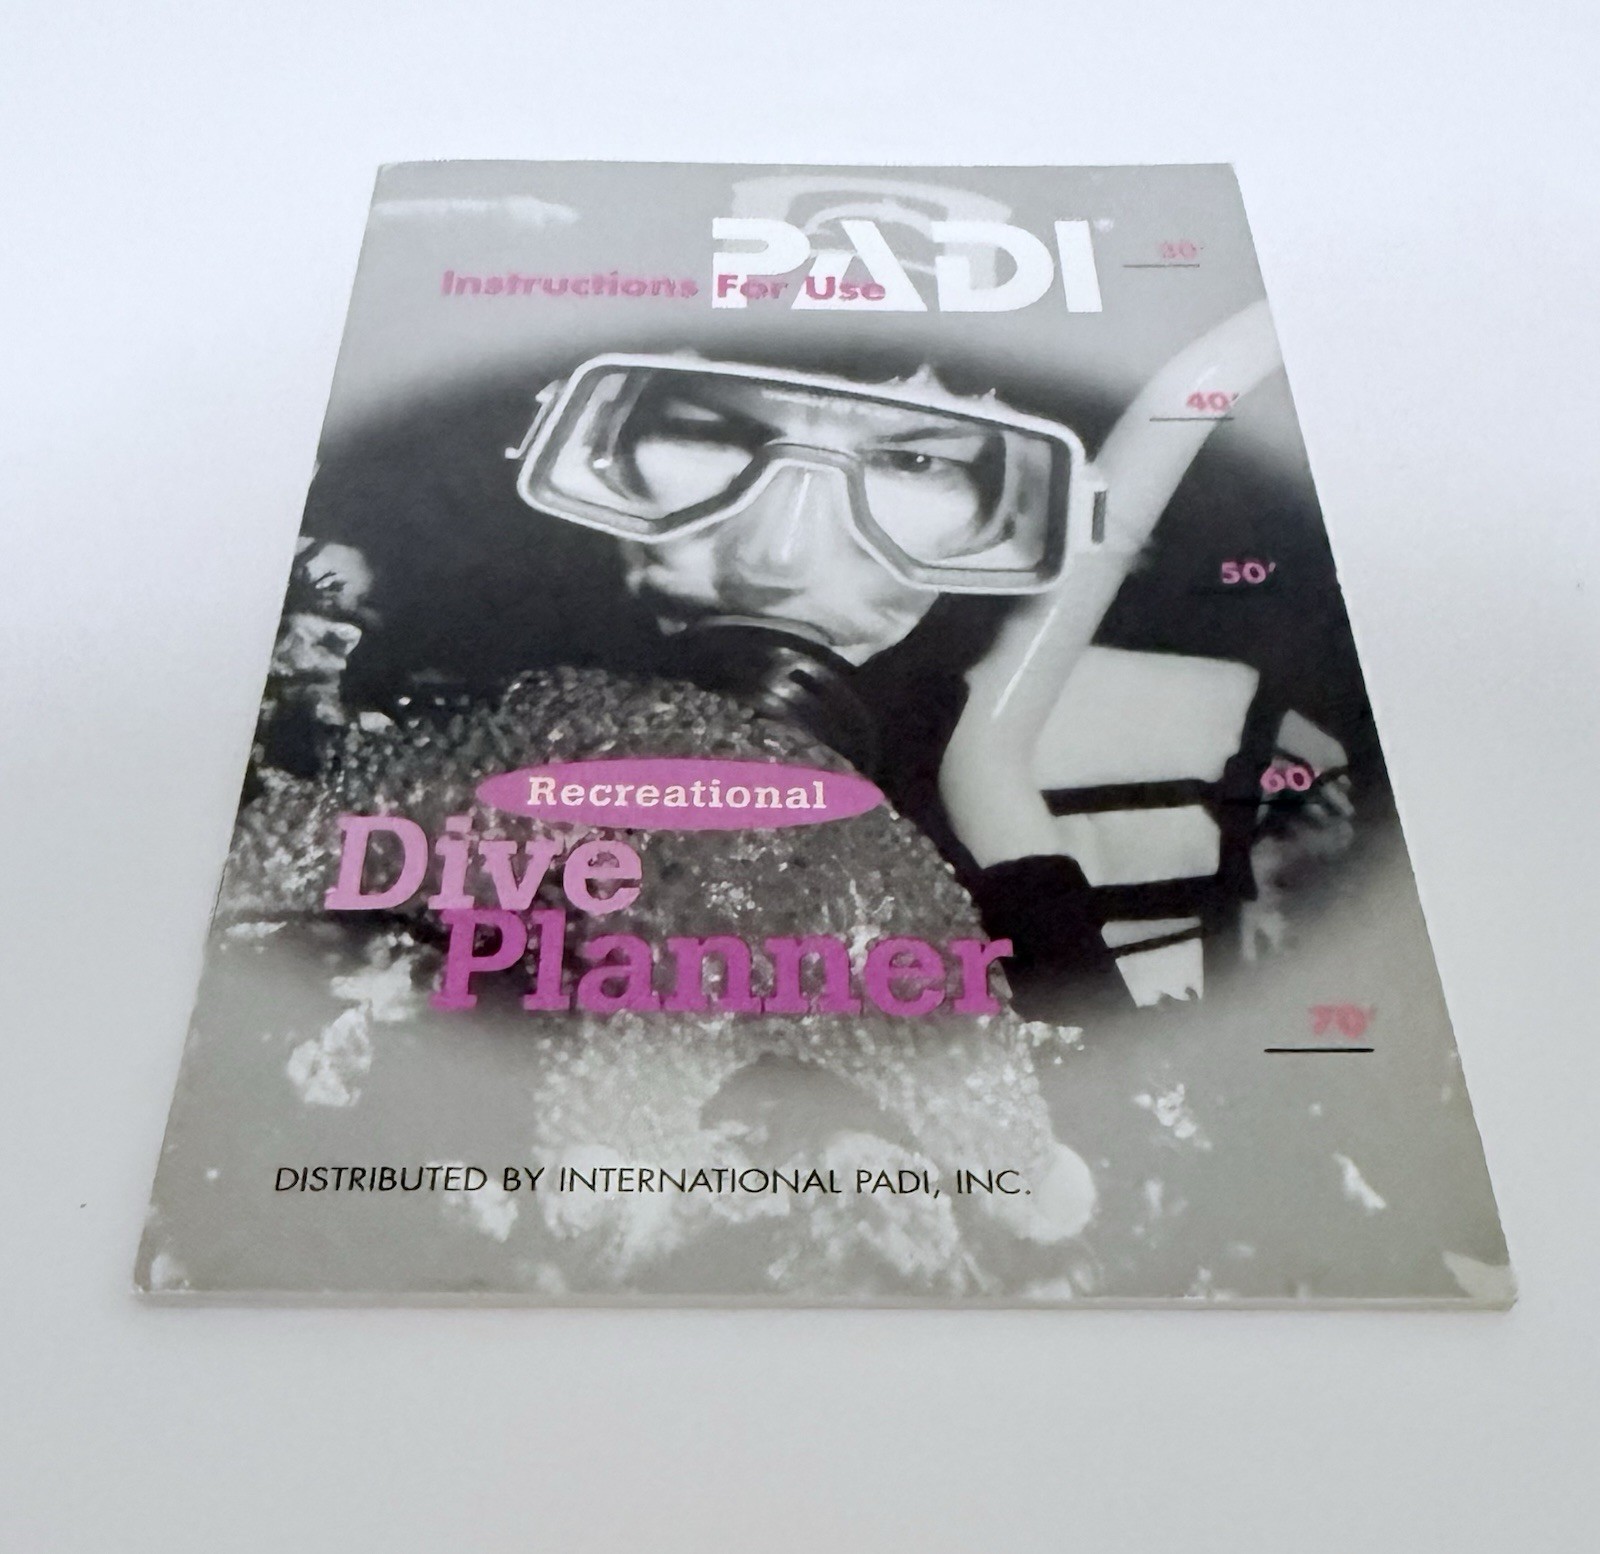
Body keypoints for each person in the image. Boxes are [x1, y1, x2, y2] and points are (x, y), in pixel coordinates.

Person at [503, 350, 1357, 1017]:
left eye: (912, 463)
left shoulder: (1236, 762)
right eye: (710, 433)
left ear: (1024, 519)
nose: (775, 560)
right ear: (581, 442)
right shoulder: (450, 743)